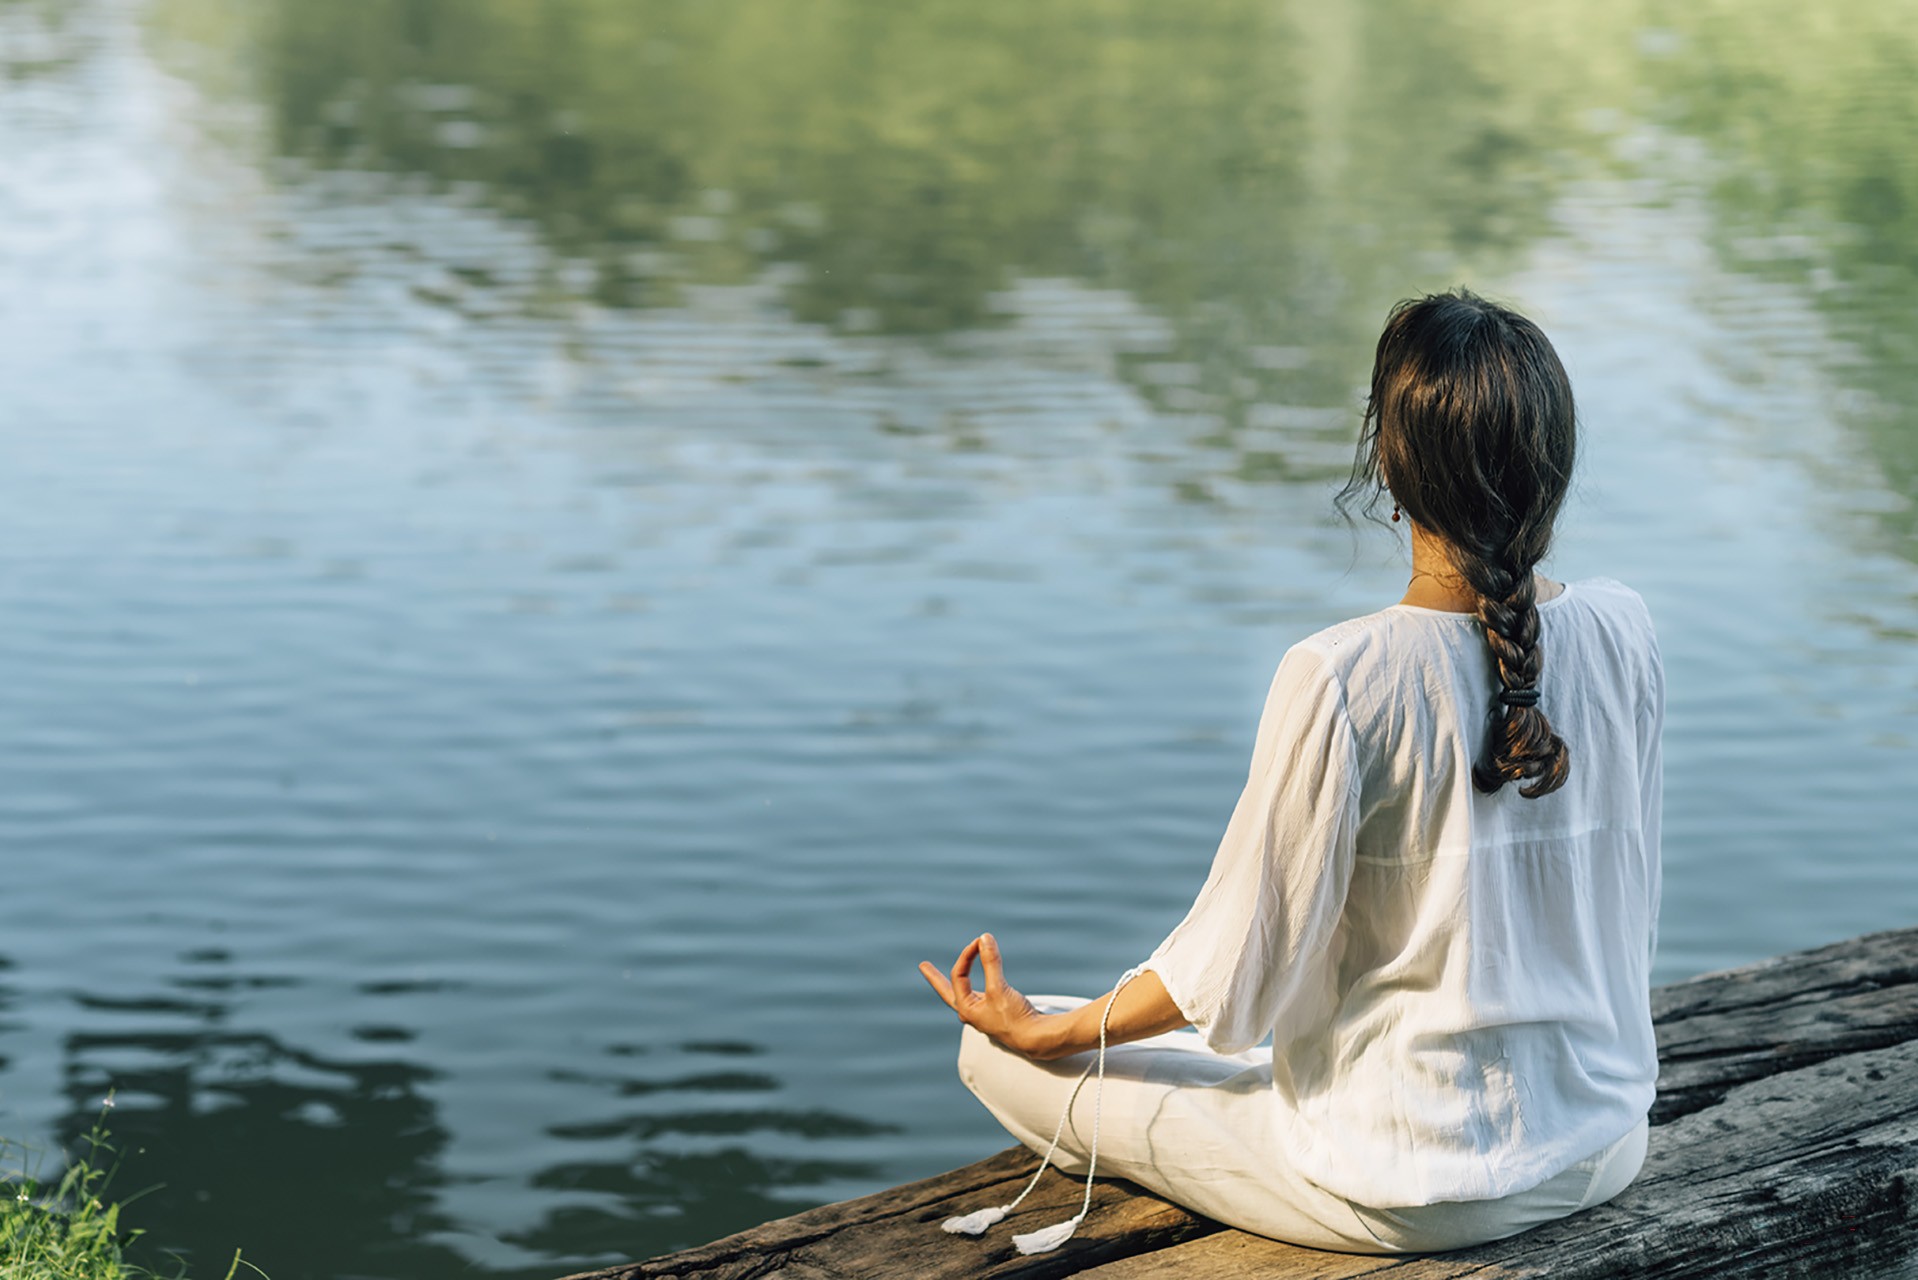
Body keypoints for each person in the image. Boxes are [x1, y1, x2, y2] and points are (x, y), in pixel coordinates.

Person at [918, 288, 1664, 1256]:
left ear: (1389, 471)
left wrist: (1049, 1035)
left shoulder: (1342, 675)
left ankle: (1068, 1050)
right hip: (1601, 1141)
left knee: (999, 1045)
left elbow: (1231, 970)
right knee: (1175, 1041)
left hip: (1401, 1180)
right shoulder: (1625, 629)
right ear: (1549, 471)